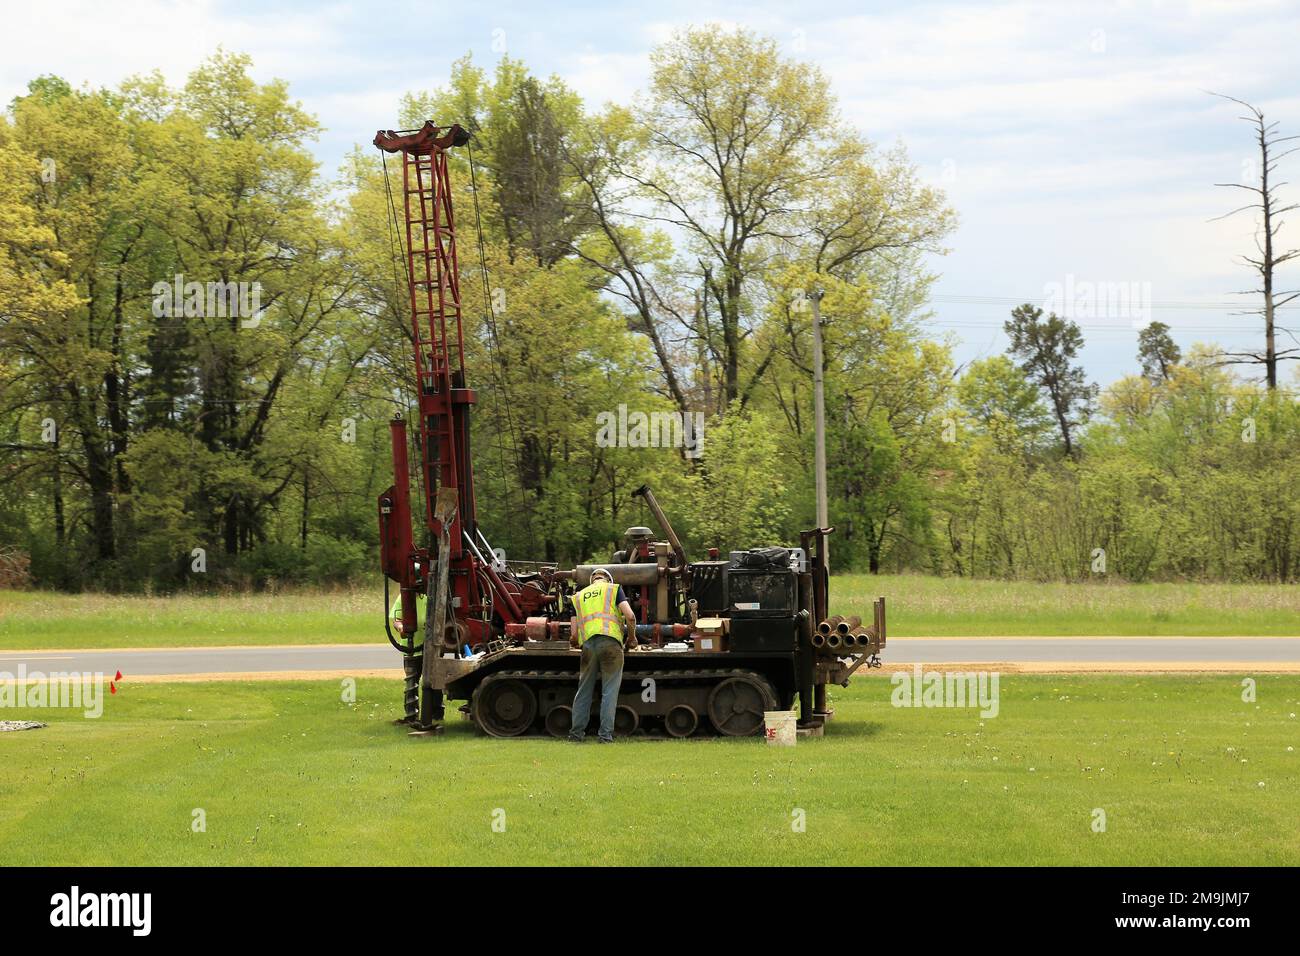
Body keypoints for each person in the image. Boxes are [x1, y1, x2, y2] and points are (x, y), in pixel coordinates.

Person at [568, 567, 638, 743]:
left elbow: (574, 635)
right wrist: (632, 638)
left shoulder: (579, 596)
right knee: (609, 692)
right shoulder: (614, 590)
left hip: (588, 646)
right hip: (611, 644)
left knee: (583, 691)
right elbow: (630, 616)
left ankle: (576, 735)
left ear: (592, 580)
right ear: (608, 579)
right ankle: (605, 736)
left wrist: (576, 641)